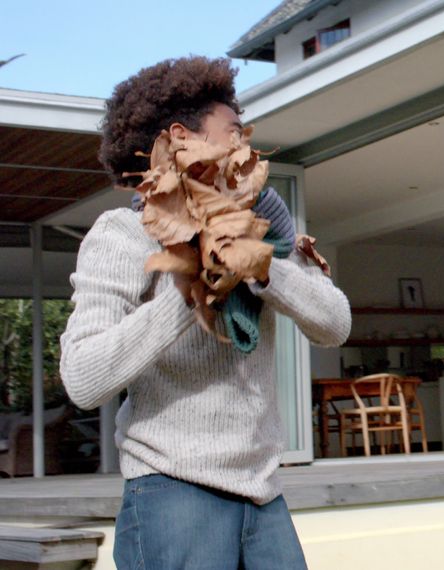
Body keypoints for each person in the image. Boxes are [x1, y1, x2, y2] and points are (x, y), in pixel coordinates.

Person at [60, 56, 351, 569]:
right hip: (172, 495)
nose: (248, 148)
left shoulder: (265, 228)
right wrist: (191, 285)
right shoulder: (121, 234)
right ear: (179, 138)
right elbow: (83, 378)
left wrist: (259, 265)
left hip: (265, 495)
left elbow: (335, 324)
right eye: (233, 132)